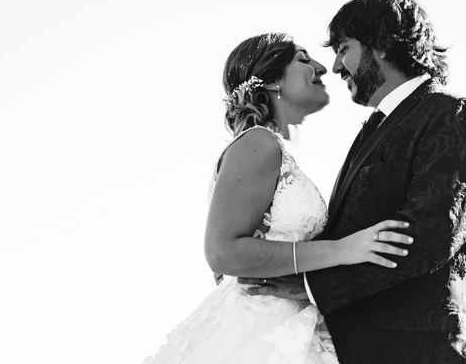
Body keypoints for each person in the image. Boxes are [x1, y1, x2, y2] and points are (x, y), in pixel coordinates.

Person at [241, 0, 466, 364]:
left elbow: (432, 233)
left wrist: (312, 286)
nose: (336, 66)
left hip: (420, 351)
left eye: (344, 48)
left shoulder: (453, 113)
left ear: (381, 44)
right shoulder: (373, 129)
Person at [143, 33, 414, 364]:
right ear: (272, 80)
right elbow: (222, 251)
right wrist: (344, 250)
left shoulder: (271, 149)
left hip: (285, 328)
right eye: (303, 59)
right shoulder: (259, 143)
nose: (321, 68)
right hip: (262, 334)